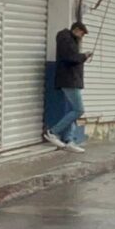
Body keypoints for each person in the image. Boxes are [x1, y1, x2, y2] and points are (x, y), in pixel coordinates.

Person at [46, 20, 89, 152]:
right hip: (68, 81)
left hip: (72, 80)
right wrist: (84, 56)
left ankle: (69, 140)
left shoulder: (70, 40)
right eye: (82, 33)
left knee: (73, 110)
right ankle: (53, 132)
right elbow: (70, 58)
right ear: (76, 30)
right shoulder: (65, 38)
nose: (82, 37)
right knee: (78, 110)